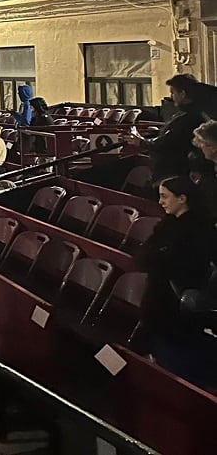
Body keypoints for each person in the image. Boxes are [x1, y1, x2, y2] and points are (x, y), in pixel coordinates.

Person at [135, 175, 217, 387]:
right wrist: (161, 258)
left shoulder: (201, 228)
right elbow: (144, 257)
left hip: (178, 301)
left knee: (177, 354)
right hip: (160, 294)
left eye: (165, 196)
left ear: (182, 198)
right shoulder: (167, 223)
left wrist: (162, 258)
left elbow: (187, 263)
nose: (160, 201)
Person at [126, 74, 210, 180]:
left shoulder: (189, 117)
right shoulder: (186, 114)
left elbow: (168, 142)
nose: (171, 97)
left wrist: (141, 142)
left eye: (173, 93)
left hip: (174, 173)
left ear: (182, 94)